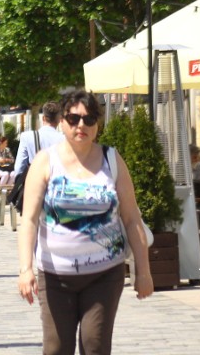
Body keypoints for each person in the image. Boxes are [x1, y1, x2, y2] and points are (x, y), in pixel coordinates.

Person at [17, 90, 153, 354]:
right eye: (74, 118)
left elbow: (131, 217)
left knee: (95, 346)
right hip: (55, 276)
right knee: (56, 348)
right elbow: (30, 220)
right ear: (62, 122)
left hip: (104, 274)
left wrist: (144, 272)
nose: (81, 125)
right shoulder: (45, 161)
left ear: (97, 125)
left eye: (89, 119)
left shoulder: (111, 160)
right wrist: (25, 269)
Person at [12, 101, 63, 179]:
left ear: (43, 118)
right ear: (59, 120)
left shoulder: (27, 137)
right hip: (57, 184)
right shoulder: (64, 139)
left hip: (35, 183)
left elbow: (19, 167)